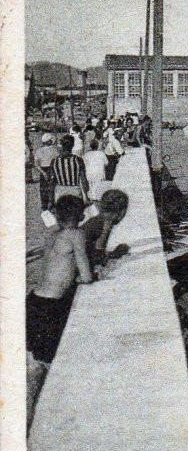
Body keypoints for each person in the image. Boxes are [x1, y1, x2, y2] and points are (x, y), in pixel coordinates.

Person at [26, 195, 92, 363]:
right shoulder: (77, 235)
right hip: (52, 306)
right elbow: (86, 276)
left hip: (34, 300)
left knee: (38, 362)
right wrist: (80, 278)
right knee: (51, 361)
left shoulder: (51, 233)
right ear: (81, 216)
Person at [81, 189, 130, 269]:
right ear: (122, 212)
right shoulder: (106, 223)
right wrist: (114, 254)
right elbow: (98, 255)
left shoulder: (98, 220)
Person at [52, 134, 90, 203]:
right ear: (73, 145)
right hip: (75, 192)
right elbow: (83, 180)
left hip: (60, 192)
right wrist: (86, 196)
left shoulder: (54, 161)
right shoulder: (78, 160)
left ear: (62, 145)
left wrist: (51, 200)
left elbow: (52, 181)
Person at [34, 133, 60, 212]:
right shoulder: (55, 150)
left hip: (43, 170)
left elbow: (36, 165)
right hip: (52, 170)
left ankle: (44, 207)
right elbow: (57, 162)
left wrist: (43, 173)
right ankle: (53, 206)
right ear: (49, 141)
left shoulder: (38, 151)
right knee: (53, 189)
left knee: (43, 190)